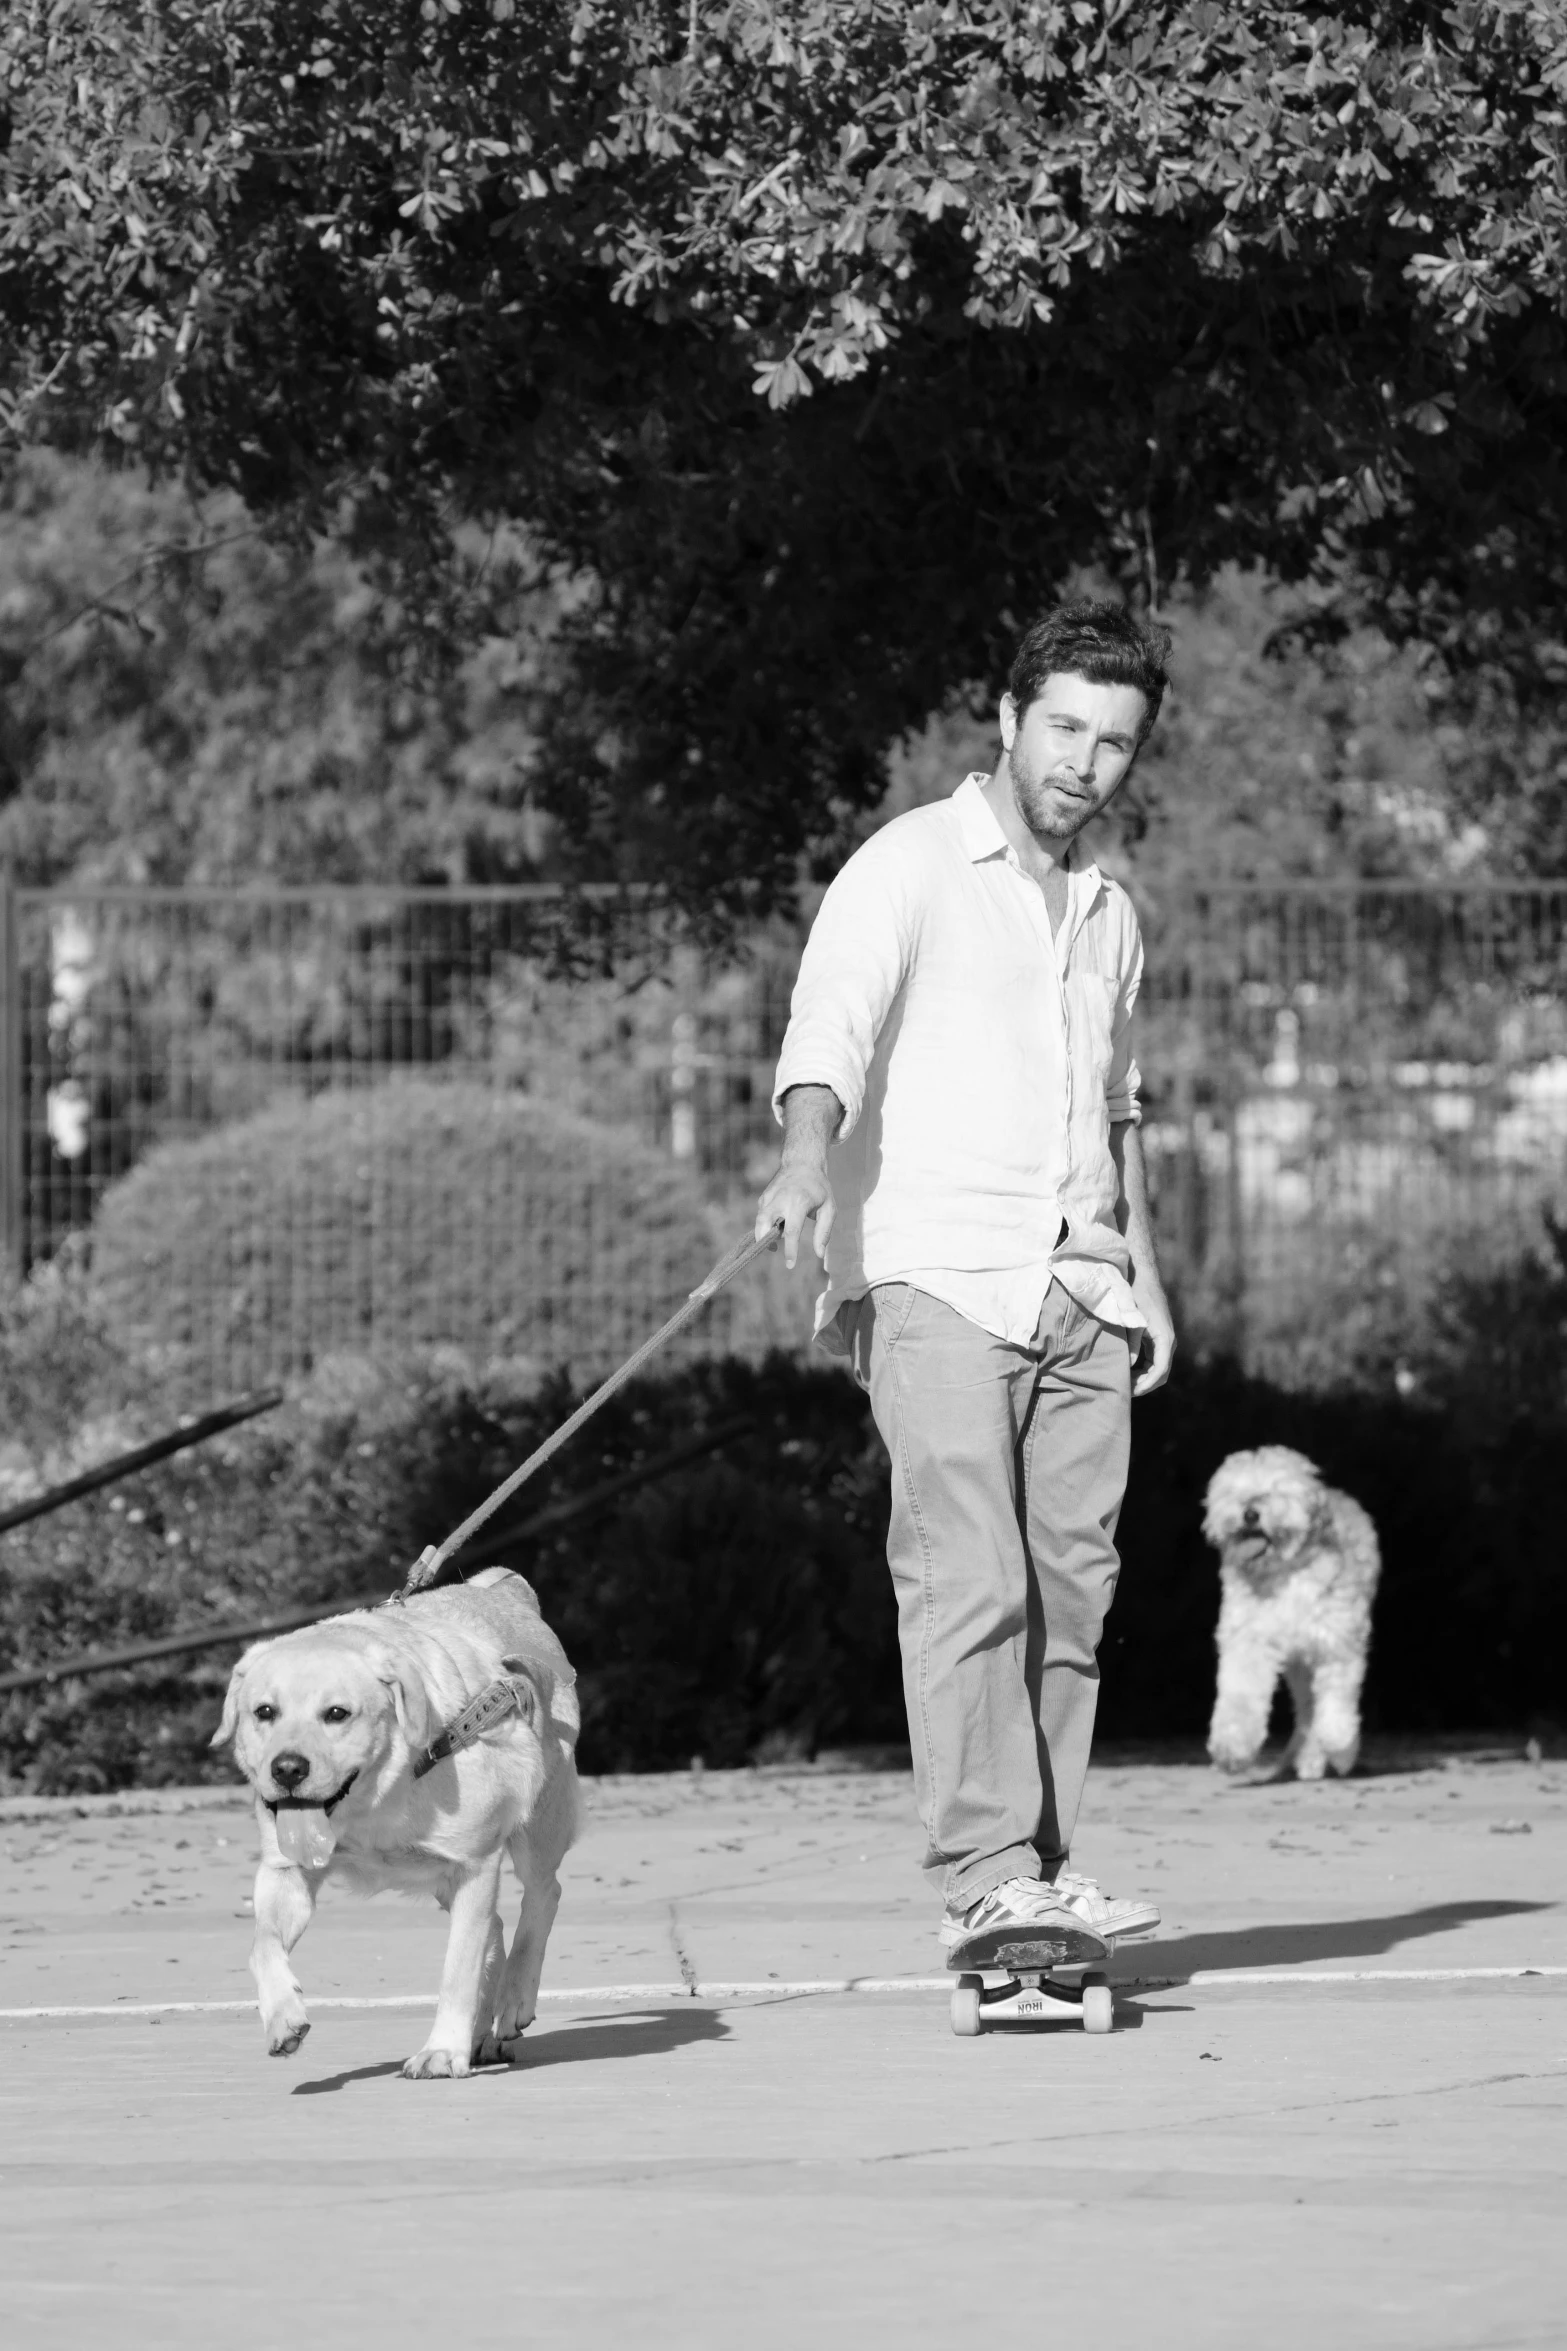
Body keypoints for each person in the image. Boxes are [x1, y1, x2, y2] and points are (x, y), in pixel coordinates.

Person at [756, 599, 1175, 1957]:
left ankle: (1041, 1868)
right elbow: (829, 1027)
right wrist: (806, 1162)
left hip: (1082, 1287)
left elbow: (1118, 1108)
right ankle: (986, 1867)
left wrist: (1147, 1276)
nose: (1084, 760)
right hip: (933, 1266)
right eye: (1063, 726)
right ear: (1005, 721)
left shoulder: (1111, 915)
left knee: (1071, 1590)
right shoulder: (908, 865)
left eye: (1113, 741)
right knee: (969, 1574)